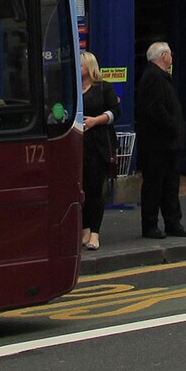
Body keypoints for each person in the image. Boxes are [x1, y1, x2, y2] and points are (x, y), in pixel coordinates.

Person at [135, 41, 186, 238]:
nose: (172, 57)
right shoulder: (153, 77)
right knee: (154, 185)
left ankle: (173, 223)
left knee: (170, 184)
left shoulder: (160, 76)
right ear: (163, 56)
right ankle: (150, 225)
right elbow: (155, 109)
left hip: (167, 144)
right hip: (157, 144)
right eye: (170, 54)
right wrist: (171, 124)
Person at [77, 50, 117, 251]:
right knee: (81, 189)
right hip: (79, 145)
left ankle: (95, 233)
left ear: (90, 67)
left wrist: (95, 121)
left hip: (98, 145)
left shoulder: (103, 88)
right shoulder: (75, 88)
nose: (79, 67)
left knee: (95, 190)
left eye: (82, 64)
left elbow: (114, 112)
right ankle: (84, 229)